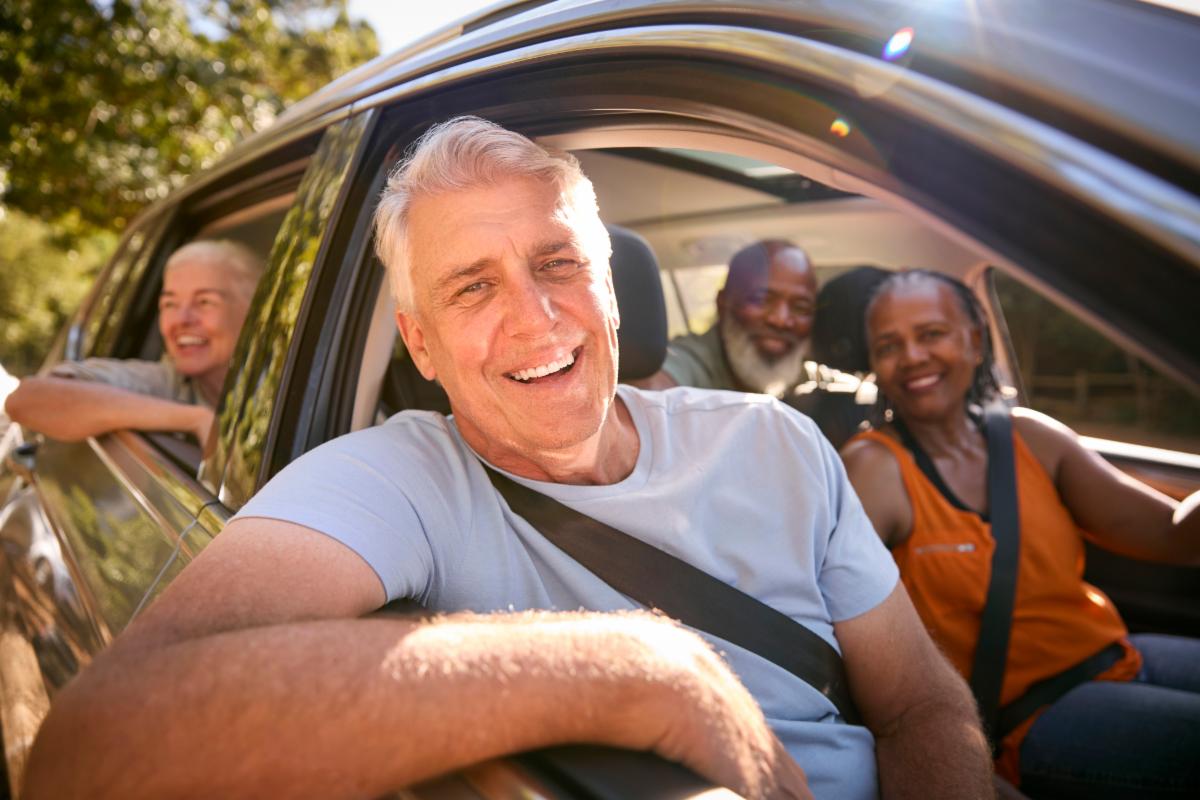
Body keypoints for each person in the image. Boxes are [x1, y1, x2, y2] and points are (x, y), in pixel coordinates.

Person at [24, 119, 993, 800]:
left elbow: (916, 700)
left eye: (559, 263)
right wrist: (645, 668)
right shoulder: (391, 478)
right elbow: (91, 748)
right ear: (421, 343)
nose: (536, 318)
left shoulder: (775, 439)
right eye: (472, 286)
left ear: (610, 290)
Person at [840, 269, 1200, 798]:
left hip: (1119, 654)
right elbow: (837, 636)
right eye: (890, 345)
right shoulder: (873, 468)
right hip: (1025, 718)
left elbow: (1173, 536)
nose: (912, 355)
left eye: (932, 333)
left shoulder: (1032, 437)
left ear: (975, 340)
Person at [4, 239, 262, 447]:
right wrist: (197, 420)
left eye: (205, 302)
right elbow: (26, 399)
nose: (181, 320)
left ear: (254, 311)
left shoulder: (291, 384)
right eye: (169, 304)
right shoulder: (166, 382)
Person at [636, 240, 818, 397]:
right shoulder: (691, 361)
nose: (780, 319)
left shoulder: (807, 379)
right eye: (761, 300)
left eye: (800, 307)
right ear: (723, 303)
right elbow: (653, 392)